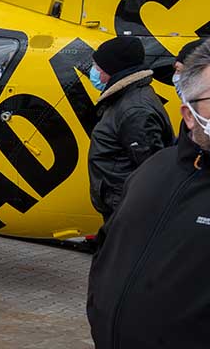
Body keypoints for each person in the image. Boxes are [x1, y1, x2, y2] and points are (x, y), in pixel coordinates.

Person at [87, 41, 210, 348]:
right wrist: (100, 309)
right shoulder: (154, 172)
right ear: (190, 114)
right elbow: (109, 252)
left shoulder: (135, 109)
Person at [87, 36, 173, 221]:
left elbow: (149, 168)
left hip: (126, 208)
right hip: (119, 202)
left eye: (98, 68)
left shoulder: (135, 110)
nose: (92, 72)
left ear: (113, 70)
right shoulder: (126, 98)